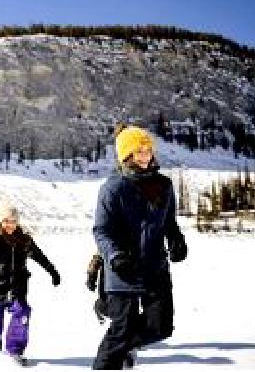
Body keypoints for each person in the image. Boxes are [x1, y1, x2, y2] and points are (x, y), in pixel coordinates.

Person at [92, 124, 188, 369]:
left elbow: (169, 223)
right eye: (139, 151)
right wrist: (115, 256)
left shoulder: (163, 186)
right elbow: (102, 231)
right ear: (127, 155)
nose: (145, 156)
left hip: (155, 268)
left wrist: (176, 239)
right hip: (123, 269)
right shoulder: (113, 188)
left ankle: (126, 345)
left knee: (161, 327)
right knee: (120, 331)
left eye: (147, 150)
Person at [0, 201, 62, 366]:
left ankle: (15, 350)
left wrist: (52, 271)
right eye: (6, 221)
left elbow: (39, 256)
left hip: (17, 287)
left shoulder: (24, 240)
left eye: (13, 221)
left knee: (22, 312)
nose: (10, 225)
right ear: (0, 222)